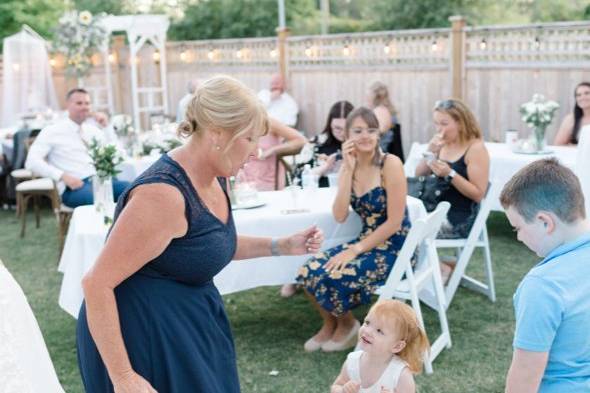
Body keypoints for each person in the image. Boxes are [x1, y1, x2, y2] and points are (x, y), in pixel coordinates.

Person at [76, 75, 324, 393]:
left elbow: (211, 243)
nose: (257, 151)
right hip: (142, 334)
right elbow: (95, 283)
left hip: (189, 323)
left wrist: (281, 245)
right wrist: (124, 377)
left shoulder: (215, 173)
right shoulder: (162, 195)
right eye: (250, 139)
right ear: (218, 134)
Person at [296, 107, 410, 352]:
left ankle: (347, 326)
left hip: (396, 247)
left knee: (335, 275)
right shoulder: (352, 165)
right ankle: (334, 324)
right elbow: (339, 215)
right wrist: (347, 168)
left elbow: (395, 222)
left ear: (378, 134)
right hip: (367, 241)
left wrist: (354, 251)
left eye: (371, 130)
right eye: (358, 131)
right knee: (309, 270)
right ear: (346, 135)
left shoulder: (390, 164)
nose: (366, 136)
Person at [501, 158, 590, 393]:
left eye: (517, 228)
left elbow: (525, 375)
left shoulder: (543, 285)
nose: (518, 237)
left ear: (544, 222)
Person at [25, 88, 129, 208]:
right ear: (68, 105)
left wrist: (107, 127)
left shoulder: (93, 130)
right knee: (96, 200)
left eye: (87, 103)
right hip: (74, 186)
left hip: (101, 180)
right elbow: (31, 162)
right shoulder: (52, 131)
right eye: (79, 103)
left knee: (133, 190)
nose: (84, 107)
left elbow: (118, 153)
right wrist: (62, 176)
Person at [330, 300, 428, 393]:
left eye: (379, 331)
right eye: (367, 323)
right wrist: (342, 390)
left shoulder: (401, 375)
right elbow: (336, 386)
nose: (367, 331)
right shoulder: (352, 361)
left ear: (397, 346)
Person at [239, 118, 306, 191]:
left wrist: (273, 150)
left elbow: (300, 140)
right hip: (243, 177)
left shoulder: (268, 122)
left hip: (268, 177)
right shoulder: (237, 123)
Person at [367, 81, 404, 161]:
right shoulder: (387, 110)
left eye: (368, 95)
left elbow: (378, 134)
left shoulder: (380, 110)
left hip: (381, 154)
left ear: (373, 96)